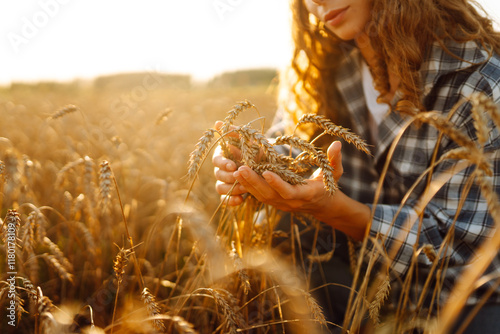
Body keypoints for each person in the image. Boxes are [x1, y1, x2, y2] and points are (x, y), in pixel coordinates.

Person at [213, 0, 500, 332]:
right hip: (365, 291)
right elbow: (287, 146)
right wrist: (256, 166)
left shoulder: (481, 81)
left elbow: (470, 252)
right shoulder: (324, 68)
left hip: (470, 299)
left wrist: (337, 210)